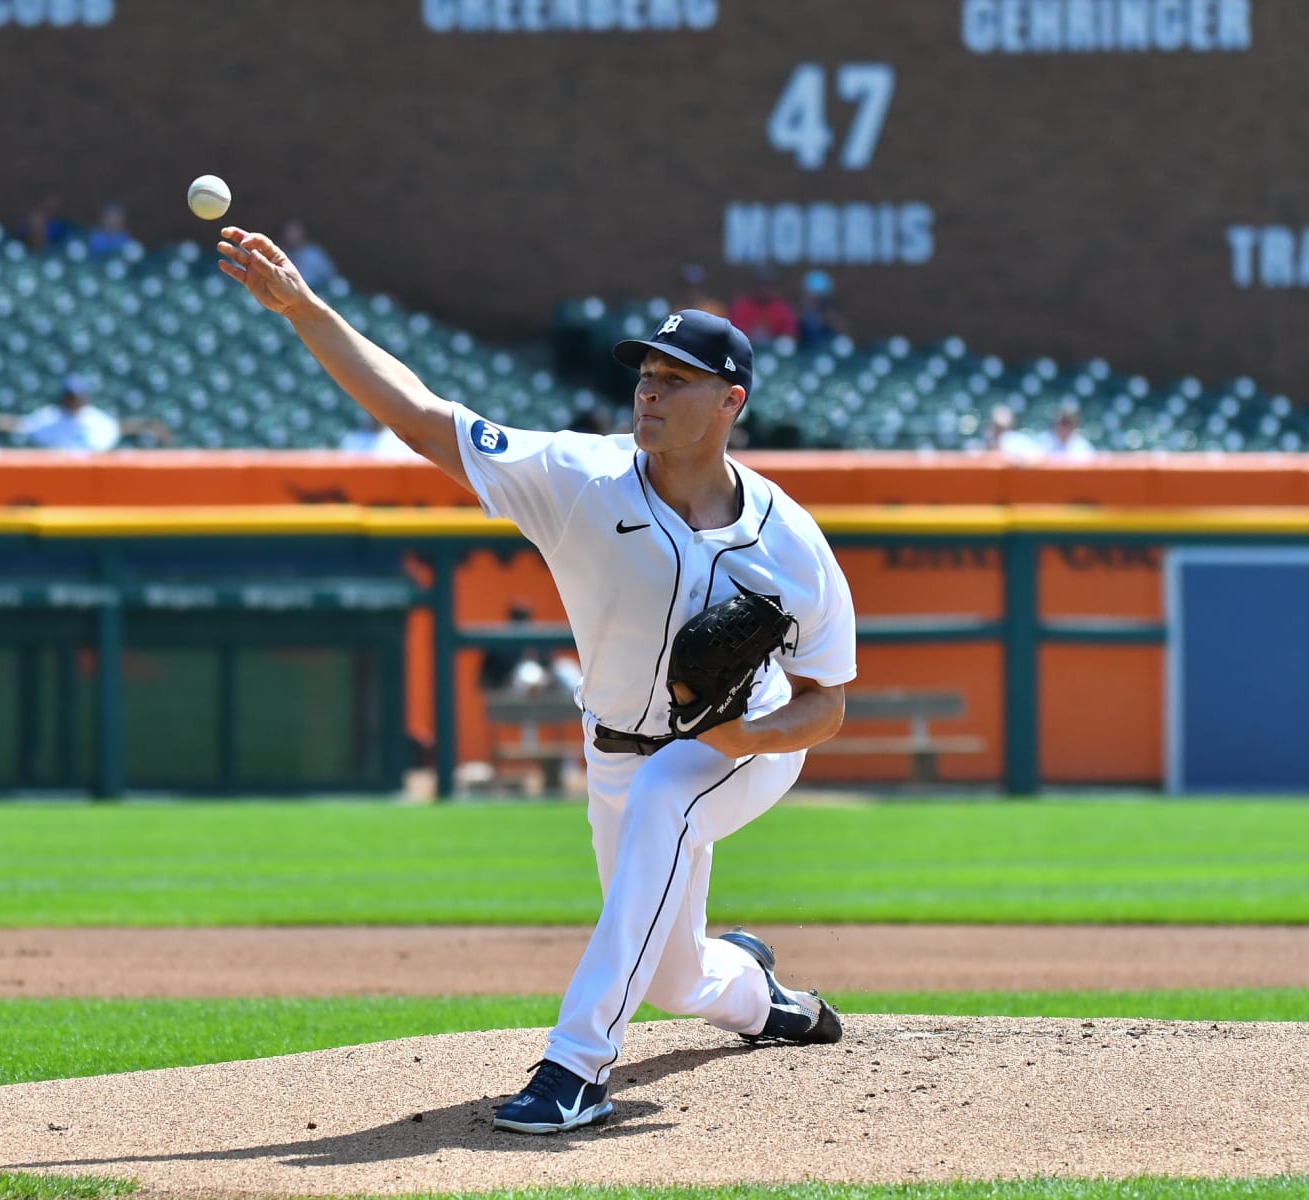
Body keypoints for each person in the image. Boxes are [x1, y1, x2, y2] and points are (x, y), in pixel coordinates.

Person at [217, 228, 857, 1135]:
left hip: (738, 745)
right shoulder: (579, 478)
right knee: (673, 972)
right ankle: (762, 998)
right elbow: (425, 420)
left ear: (731, 401)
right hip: (613, 750)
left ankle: (576, 1067)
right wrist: (306, 311)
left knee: (670, 799)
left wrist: (747, 737)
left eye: (676, 379)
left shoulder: (789, 542)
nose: (650, 390)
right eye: (645, 374)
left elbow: (827, 701)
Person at [0, 375, 168, 452]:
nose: (74, 400)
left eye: (77, 396)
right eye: (70, 396)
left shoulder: (95, 419)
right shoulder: (50, 417)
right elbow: (19, 425)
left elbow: (122, 428)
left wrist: (150, 426)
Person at [727, 266, 799, 346]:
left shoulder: (782, 308)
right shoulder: (741, 306)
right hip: (747, 348)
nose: (764, 289)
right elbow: (734, 333)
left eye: (768, 285)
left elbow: (790, 333)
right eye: (760, 285)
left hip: (775, 350)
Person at [795, 270, 847, 353]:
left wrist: (827, 319)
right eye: (809, 294)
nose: (812, 299)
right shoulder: (797, 313)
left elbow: (842, 330)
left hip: (825, 353)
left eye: (817, 296)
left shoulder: (829, 314)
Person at [280, 219, 339, 287]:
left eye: (295, 231)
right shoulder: (280, 253)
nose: (292, 235)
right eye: (289, 231)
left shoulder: (314, 253)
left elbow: (330, 275)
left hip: (316, 291)